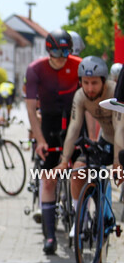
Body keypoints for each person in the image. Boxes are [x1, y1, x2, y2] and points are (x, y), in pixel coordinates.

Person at [24, 29, 81, 255]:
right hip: (48, 121)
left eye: (65, 51)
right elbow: (30, 108)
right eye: (56, 51)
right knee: (48, 180)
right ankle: (50, 236)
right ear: (48, 50)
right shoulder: (35, 69)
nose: (60, 57)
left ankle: (79, 219)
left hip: (75, 118)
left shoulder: (78, 65)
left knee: (79, 172)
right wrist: (39, 140)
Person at [54, 56, 124, 203]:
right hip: (106, 141)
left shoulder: (114, 93)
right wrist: (64, 160)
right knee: (79, 169)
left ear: (104, 81)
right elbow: (74, 128)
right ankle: (78, 219)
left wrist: (118, 163)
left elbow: (120, 128)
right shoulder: (80, 96)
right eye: (85, 83)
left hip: (121, 142)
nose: (90, 88)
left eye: (94, 83)